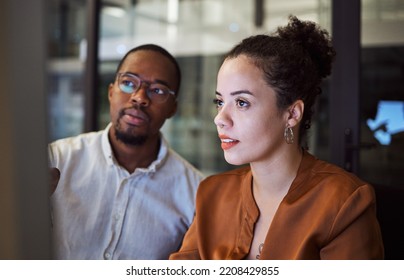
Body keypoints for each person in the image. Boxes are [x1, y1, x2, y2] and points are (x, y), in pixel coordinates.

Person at [169, 16, 384, 260]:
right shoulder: (212, 193)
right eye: (220, 101)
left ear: (292, 113)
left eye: (241, 102)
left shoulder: (344, 201)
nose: (220, 118)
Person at [48, 44, 204, 259]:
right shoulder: (57, 160)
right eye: (129, 83)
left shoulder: (195, 193)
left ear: (172, 108)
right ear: (111, 92)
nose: (140, 97)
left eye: (158, 90)